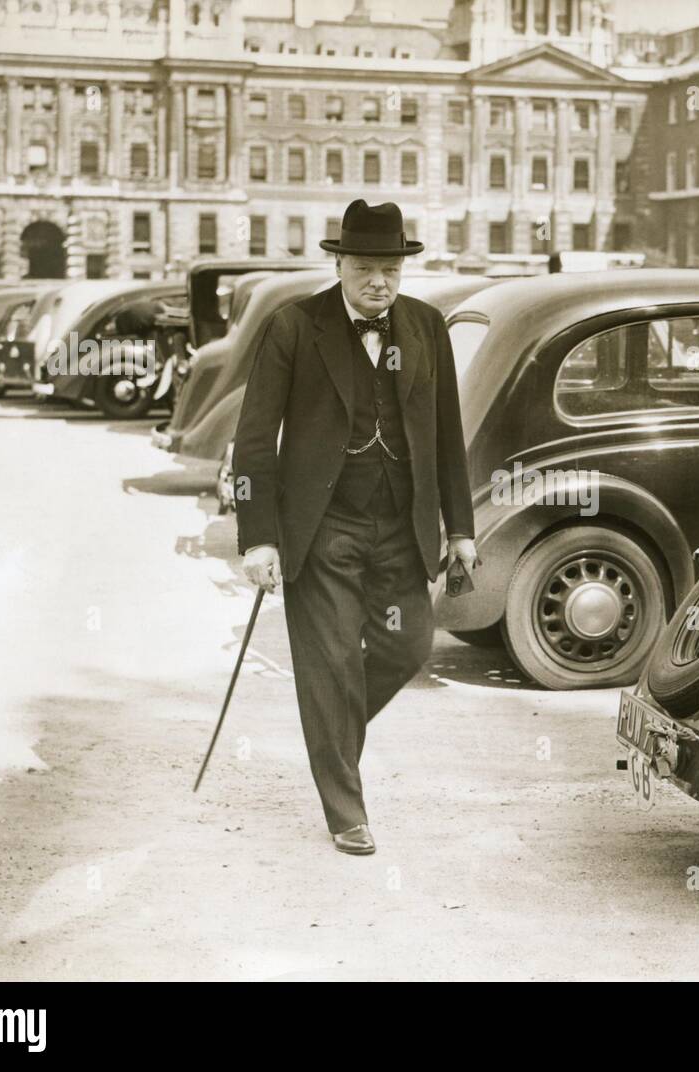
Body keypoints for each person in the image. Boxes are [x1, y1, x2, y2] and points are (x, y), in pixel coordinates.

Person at [232, 199, 478, 856]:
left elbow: (448, 434)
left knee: (407, 647)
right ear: (340, 263)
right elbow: (254, 441)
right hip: (321, 526)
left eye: (391, 269)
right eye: (366, 268)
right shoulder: (293, 326)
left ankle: (330, 731)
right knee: (331, 662)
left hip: (402, 525)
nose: (379, 282)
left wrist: (460, 527)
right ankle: (347, 810)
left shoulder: (426, 327)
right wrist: (258, 537)